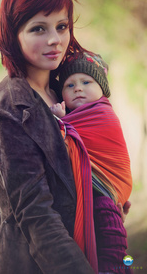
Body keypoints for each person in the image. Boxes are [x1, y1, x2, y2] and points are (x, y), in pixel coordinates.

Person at [0, 0, 97, 273]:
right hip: (29, 260)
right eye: (38, 29)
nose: (55, 40)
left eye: (61, 26)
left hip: (79, 242)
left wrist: (104, 196)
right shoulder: (10, 108)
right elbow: (36, 215)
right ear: (12, 36)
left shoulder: (63, 90)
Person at [50, 52, 133, 273]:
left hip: (106, 193)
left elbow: (69, 144)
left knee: (110, 239)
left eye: (86, 82)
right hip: (93, 193)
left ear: (102, 89)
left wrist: (60, 123)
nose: (78, 88)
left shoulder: (104, 114)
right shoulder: (75, 116)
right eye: (69, 85)